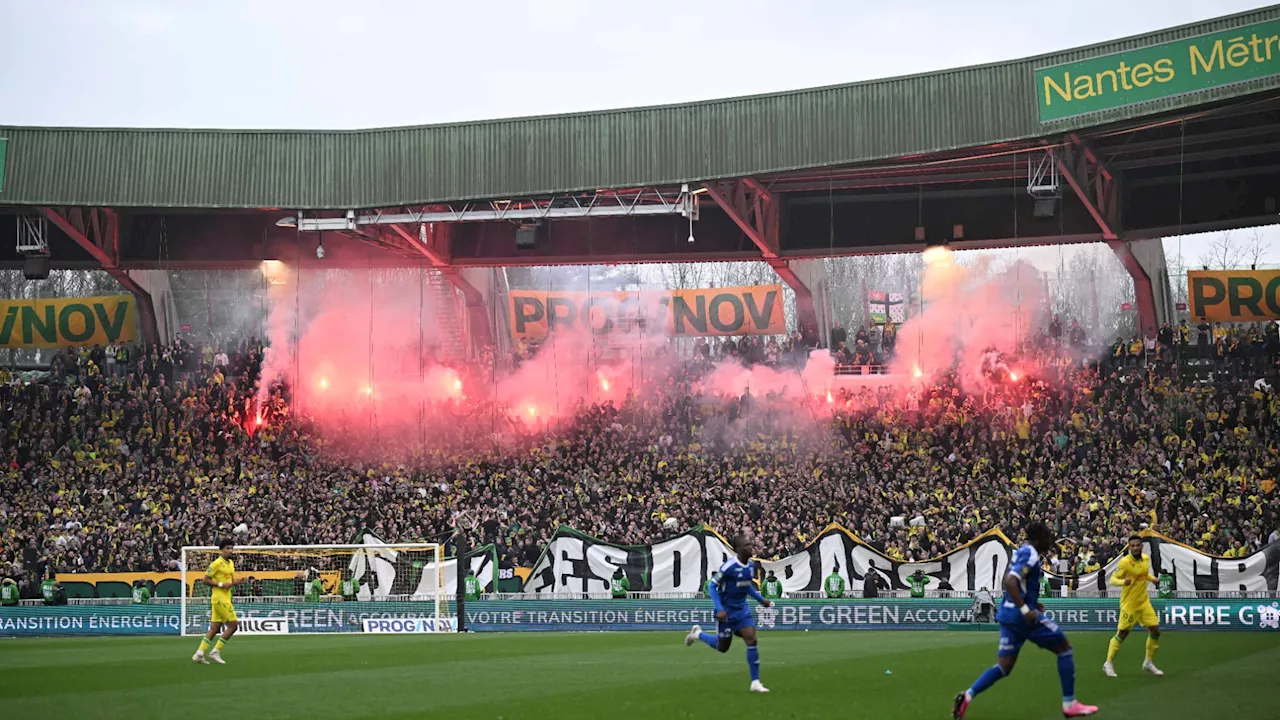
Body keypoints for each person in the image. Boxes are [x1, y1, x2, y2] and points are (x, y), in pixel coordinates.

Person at [953, 521, 1097, 718]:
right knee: (1065, 649)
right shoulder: (1030, 553)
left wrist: (1031, 602)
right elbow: (1010, 581)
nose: (1049, 542)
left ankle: (967, 696)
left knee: (1004, 666)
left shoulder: (1022, 552)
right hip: (1022, 618)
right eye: (1047, 538)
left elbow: (1016, 583)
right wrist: (1025, 608)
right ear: (1038, 539)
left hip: (1008, 615)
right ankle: (1069, 703)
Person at [683, 534, 773, 693]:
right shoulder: (728, 567)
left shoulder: (751, 566)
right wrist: (720, 609)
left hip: (742, 611)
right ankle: (698, 634)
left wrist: (761, 599)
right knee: (722, 647)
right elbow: (712, 587)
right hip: (726, 612)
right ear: (738, 549)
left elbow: (747, 587)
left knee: (751, 639)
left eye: (751, 544)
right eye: (746, 545)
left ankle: (755, 682)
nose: (750, 547)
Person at [1103, 535, 1163, 677]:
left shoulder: (1146, 559)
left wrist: (1153, 579)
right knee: (1122, 634)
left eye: (1137, 545)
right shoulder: (1125, 562)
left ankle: (1148, 662)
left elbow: (1144, 574)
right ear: (1129, 547)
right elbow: (1112, 579)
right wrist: (1124, 582)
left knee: (1155, 630)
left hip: (1144, 603)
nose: (1135, 548)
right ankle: (1108, 663)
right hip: (1129, 604)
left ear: (1141, 546)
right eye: (1132, 546)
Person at [192, 539, 250, 666]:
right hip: (219, 598)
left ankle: (199, 654)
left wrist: (239, 581)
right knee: (233, 625)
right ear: (221, 550)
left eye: (231, 548)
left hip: (225, 597)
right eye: (227, 548)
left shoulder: (230, 563)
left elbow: (230, 581)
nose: (230, 551)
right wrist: (220, 584)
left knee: (215, 628)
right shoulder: (216, 563)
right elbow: (205, 580)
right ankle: (215, 651)